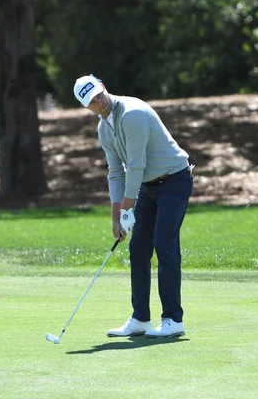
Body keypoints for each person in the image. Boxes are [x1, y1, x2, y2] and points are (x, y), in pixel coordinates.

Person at [73, 74, 194, 338]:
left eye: (98, 95)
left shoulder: (132, 114)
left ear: (103, 87)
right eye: (91, 102)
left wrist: (128, 208)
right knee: (138, 248)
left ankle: (174, 319)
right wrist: (117, 216)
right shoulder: (104, 128)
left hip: (174, 180)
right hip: (148, 187)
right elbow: (116, 172)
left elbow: (135, 166)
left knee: (165, 244)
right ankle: (140, 319)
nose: (98, 102)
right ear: (87, 108)